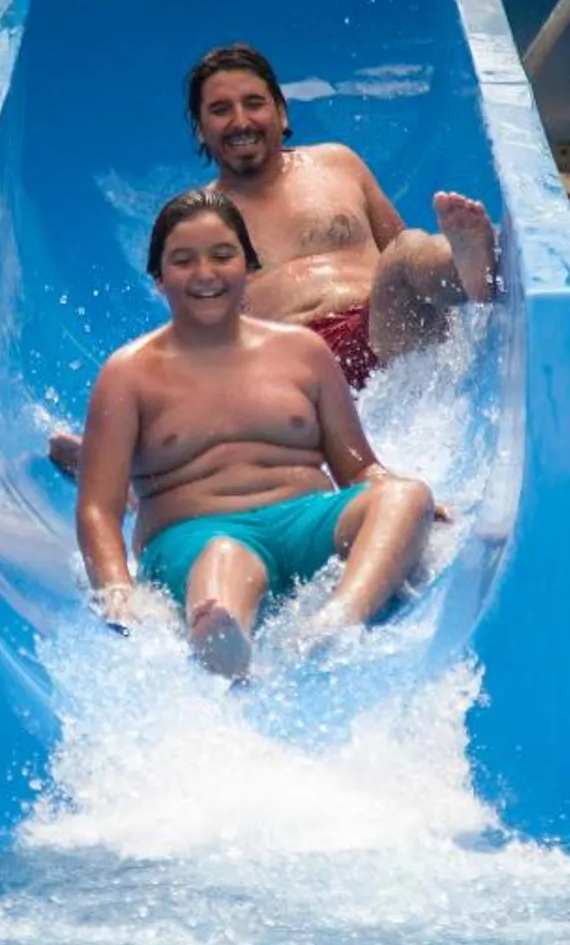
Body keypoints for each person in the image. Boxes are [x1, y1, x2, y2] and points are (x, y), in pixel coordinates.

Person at [76, 187, 435, 681]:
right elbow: (98, 506)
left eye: (223, 255)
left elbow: (357, 466)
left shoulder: (302, 352)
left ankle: (336, 619)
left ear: (249, 265)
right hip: (198, 537)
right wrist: (115, 585)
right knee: (227, 558)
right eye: (184, 260)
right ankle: (223, 637)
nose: (206, 274)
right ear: (159, 279)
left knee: (407, 495)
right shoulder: (129, 373)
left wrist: (389, 491)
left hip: (303, 523)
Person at [179, 42, 499, 389]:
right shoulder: (201, 219)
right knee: (405, 254)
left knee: (407, 249)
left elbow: (401, 248)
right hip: (300, 366)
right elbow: (201, 336)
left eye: (254, 104)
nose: (241, 121)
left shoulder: (338, 163)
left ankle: (467, 269)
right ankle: (468, 273)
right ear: (200, 128)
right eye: (221, 110)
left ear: (282, 113)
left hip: (383, 327)